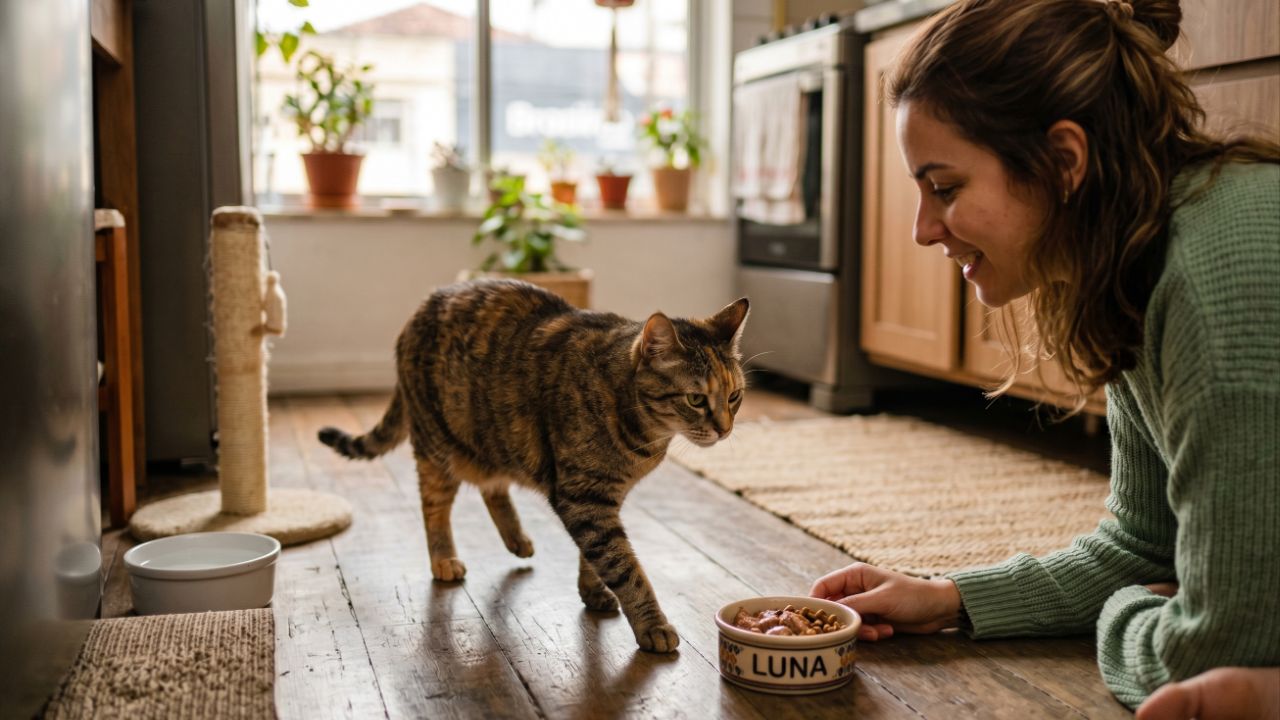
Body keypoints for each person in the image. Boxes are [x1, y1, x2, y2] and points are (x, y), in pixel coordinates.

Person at [810, 0, 1280, 711]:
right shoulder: (1134, 266)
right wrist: (947, 599)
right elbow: (1143, 546)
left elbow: (1211, 650)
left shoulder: (1211, 280)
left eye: (946, 188)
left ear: (1064, 163)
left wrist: (1124, 617)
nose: (922, 229)